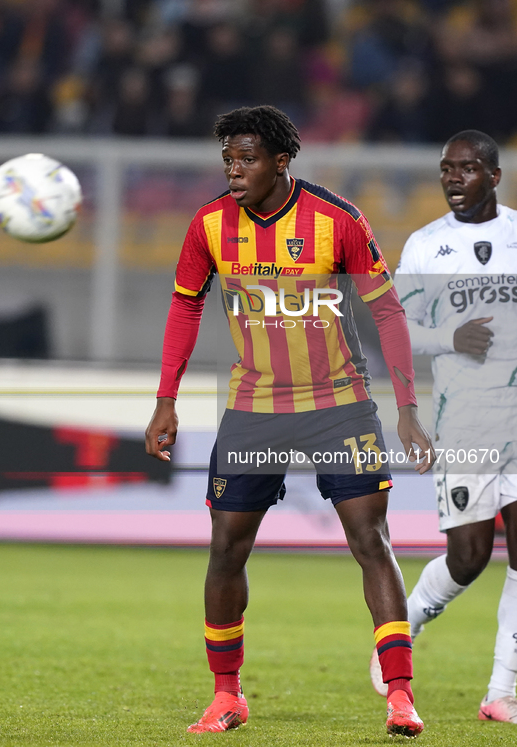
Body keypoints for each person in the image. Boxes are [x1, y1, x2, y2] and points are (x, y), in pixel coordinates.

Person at [145, 105, 434, 738]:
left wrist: (407, 409)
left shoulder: (337, 220)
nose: (234, 171)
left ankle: (401, 696)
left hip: (338, 404)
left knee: (370, 541)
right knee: (227, 547)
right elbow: (185, 309)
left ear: (282, 161)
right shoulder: (209, 226)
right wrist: (166, 400)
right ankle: (227, 696)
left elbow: (388, 314)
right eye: (227, 160)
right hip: (255, 408)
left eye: (247, 159)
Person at [370, 129, 517, 725]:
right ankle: (403, 627)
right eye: (446, 169)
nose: (453, 178)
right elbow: (396, 335)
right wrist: (450, 339)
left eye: (467, 169)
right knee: (469, 555)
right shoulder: (427, 247)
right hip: (464, 423)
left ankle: (502, 689)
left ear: (494, 175)